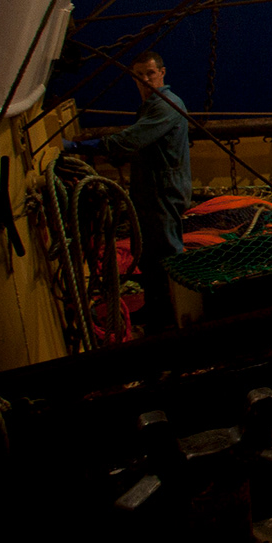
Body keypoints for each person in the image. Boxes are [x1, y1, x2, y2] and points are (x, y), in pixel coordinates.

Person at [64, 51, 191, 333]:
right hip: (150, 190)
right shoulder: (151, 106)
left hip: (163, 190)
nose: (145, 80)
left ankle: (177, 314)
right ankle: (156, 307)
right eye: (139, 75)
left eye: (150, 73)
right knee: (148, 253)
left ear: (162, 73)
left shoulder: (167, 105)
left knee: (167, 253)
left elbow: (132, 139)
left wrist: (78, 147)